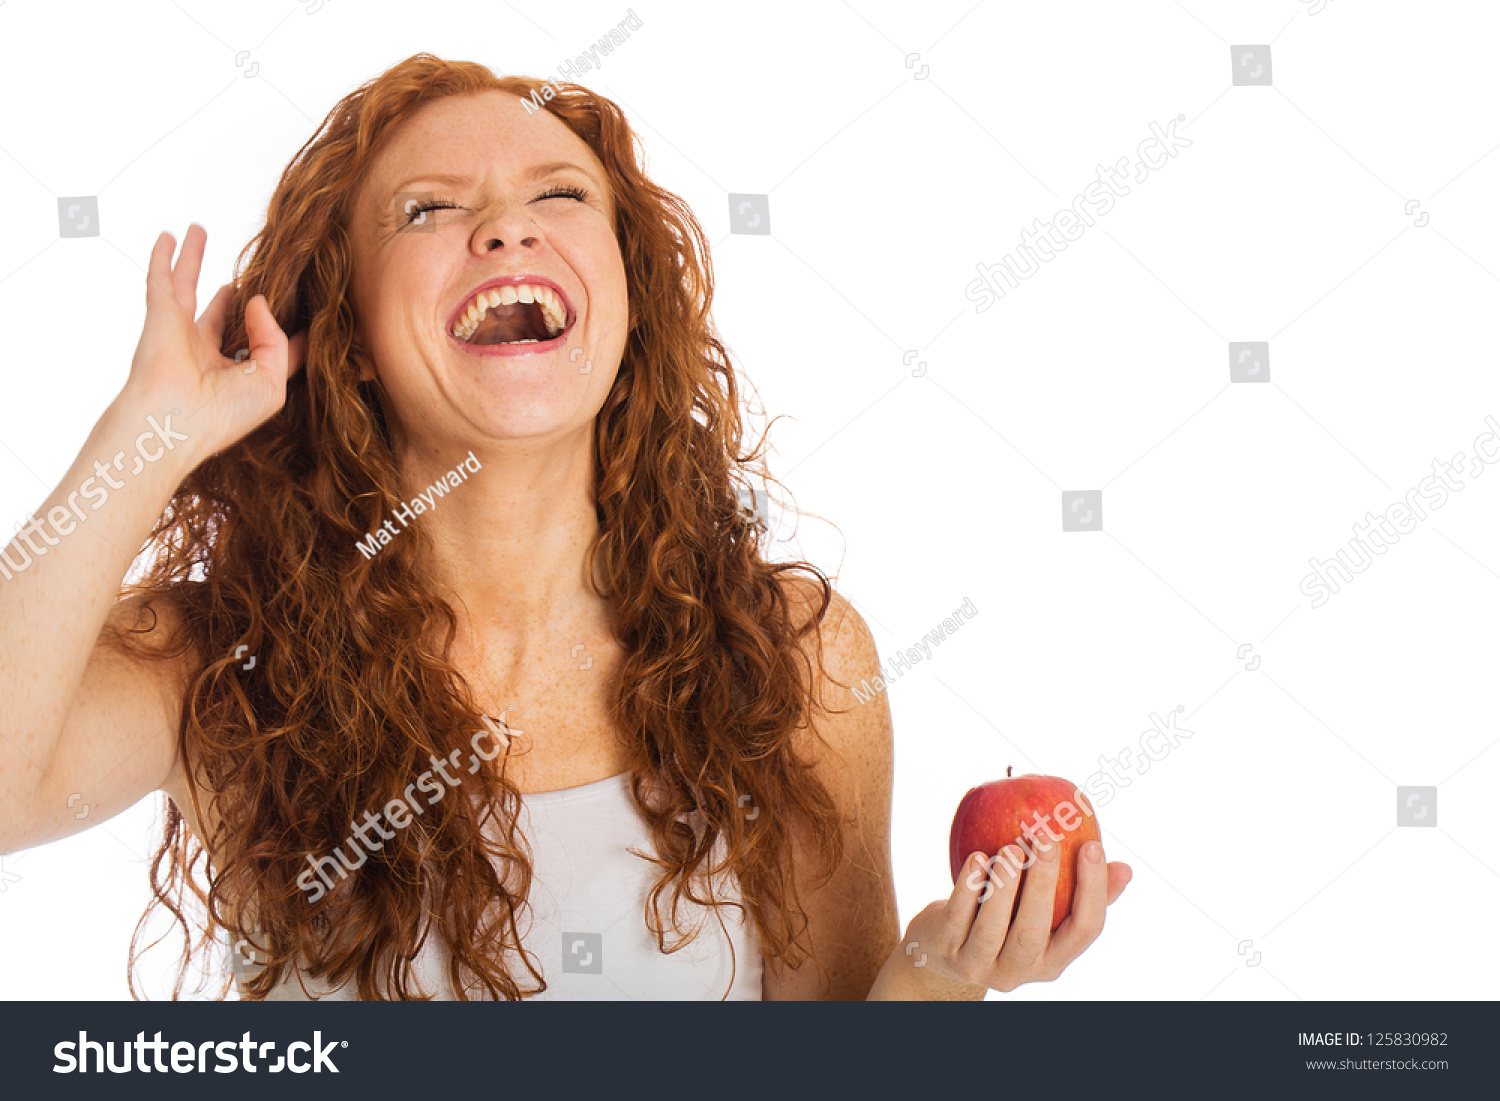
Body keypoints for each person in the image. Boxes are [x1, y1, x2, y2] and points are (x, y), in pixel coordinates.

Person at [0, 54, 1129, 1001]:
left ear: (627, 293)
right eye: (428, 208)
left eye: (559, 197)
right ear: (341, 320)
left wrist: (932, 981)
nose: (505, 229)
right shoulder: (225, 663)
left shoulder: (796, 659)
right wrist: (145, 436)